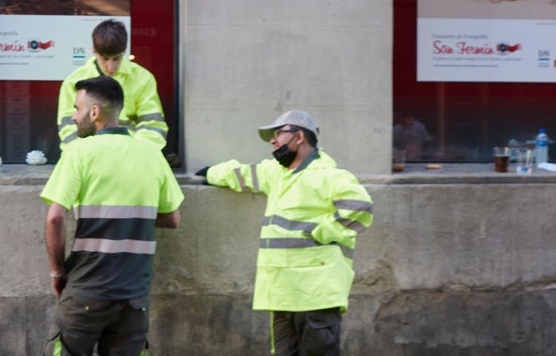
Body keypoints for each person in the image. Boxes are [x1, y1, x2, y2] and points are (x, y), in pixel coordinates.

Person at [197, 110, 373, 356]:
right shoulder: (277, 174)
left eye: (279, 133)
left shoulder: (329, 175)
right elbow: (243, 174)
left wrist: (321, 231)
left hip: (317, 294)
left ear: (299, 137)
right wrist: (210, 173)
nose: (273, 141)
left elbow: (361, 207)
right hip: (283, 292)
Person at [41, 76, 184, 356]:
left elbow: (55, 218)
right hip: (133, 296)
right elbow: (172, 219)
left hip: (87, 290)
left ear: (94, 112)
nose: (73, 116)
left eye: (77, 108)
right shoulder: (152, 154)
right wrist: (131, 218)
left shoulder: (79, 152)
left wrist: (57, 271)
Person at [57, 19, 168, 151]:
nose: (111, 67)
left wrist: (137, 154)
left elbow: (153, 126)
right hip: (89, 156)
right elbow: (68, 129)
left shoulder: (143, 78)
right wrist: (88, 155)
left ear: (125, 51)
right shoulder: (73, 82)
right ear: (94, 51)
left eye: (117, 58)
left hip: (130, 154)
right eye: (105, 59)